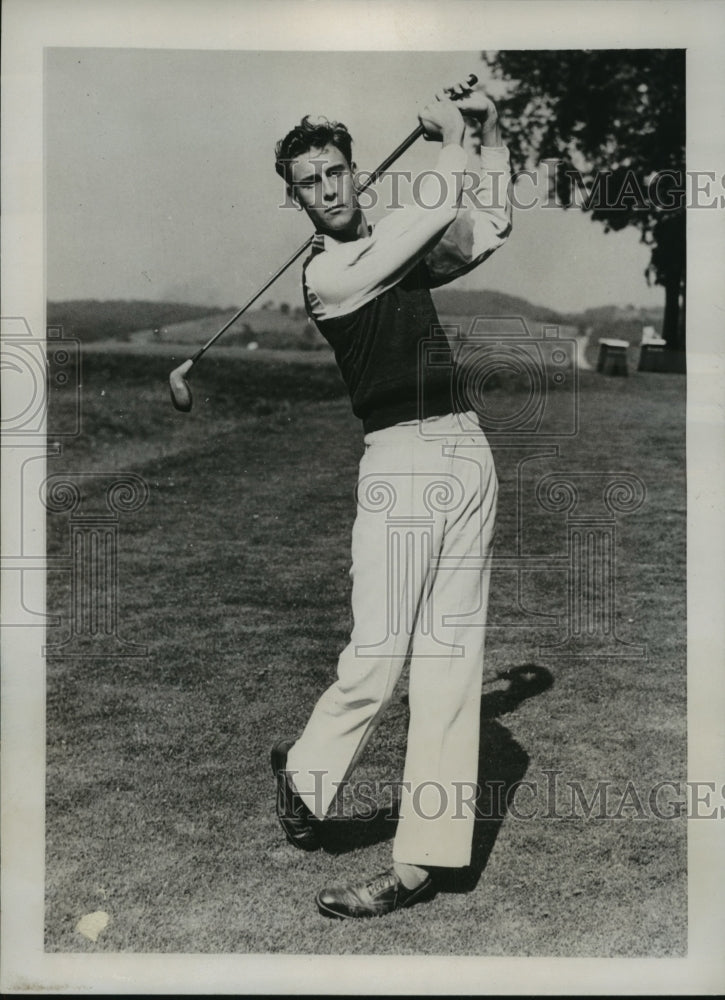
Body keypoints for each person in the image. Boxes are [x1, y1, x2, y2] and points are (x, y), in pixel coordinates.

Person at [271, 78, 512, 919]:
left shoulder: (397, 249)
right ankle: (304, 778)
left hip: (464, 450)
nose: (330, 189)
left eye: (337, 171)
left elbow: (485, 224)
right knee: (377, 656)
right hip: (399, 461)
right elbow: (435, 200)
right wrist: (448, 136)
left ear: (355, 173)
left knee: (450, 664)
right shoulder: (334, 276)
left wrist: (485, 131)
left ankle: (416, 867)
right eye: (311, 181)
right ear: (296, 198)